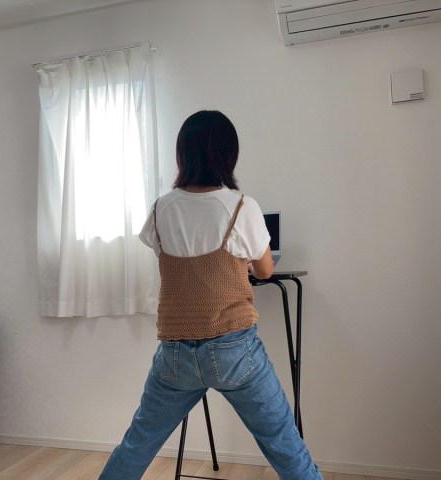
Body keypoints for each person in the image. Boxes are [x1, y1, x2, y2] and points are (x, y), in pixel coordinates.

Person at [98, 110, 322, 480]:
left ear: (182, 155)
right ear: (227, 155)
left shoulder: (161, 208)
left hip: (175, 357)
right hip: (235, 353)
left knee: (138, 443)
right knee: (283, 442)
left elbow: (168, 256)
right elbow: (265, 271)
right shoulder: (241, 205)